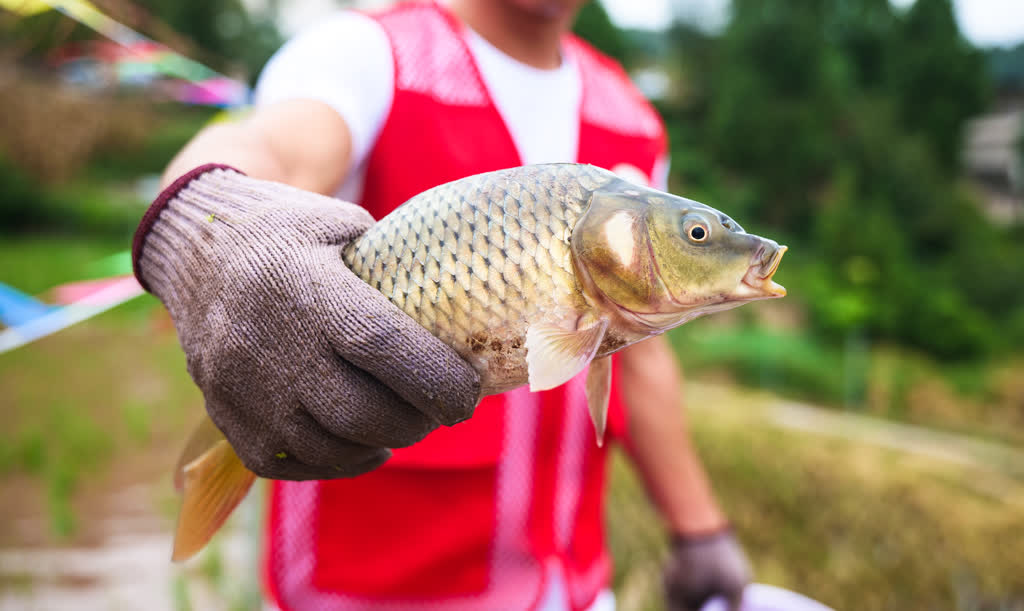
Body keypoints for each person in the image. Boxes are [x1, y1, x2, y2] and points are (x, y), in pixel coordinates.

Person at [131, 1, 752, 609]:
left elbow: (642, 359)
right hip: (368, 588)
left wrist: (699, 528)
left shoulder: (633, 116)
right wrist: (206, 220)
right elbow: (269, 149)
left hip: (574, 588)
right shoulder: (366, 53)